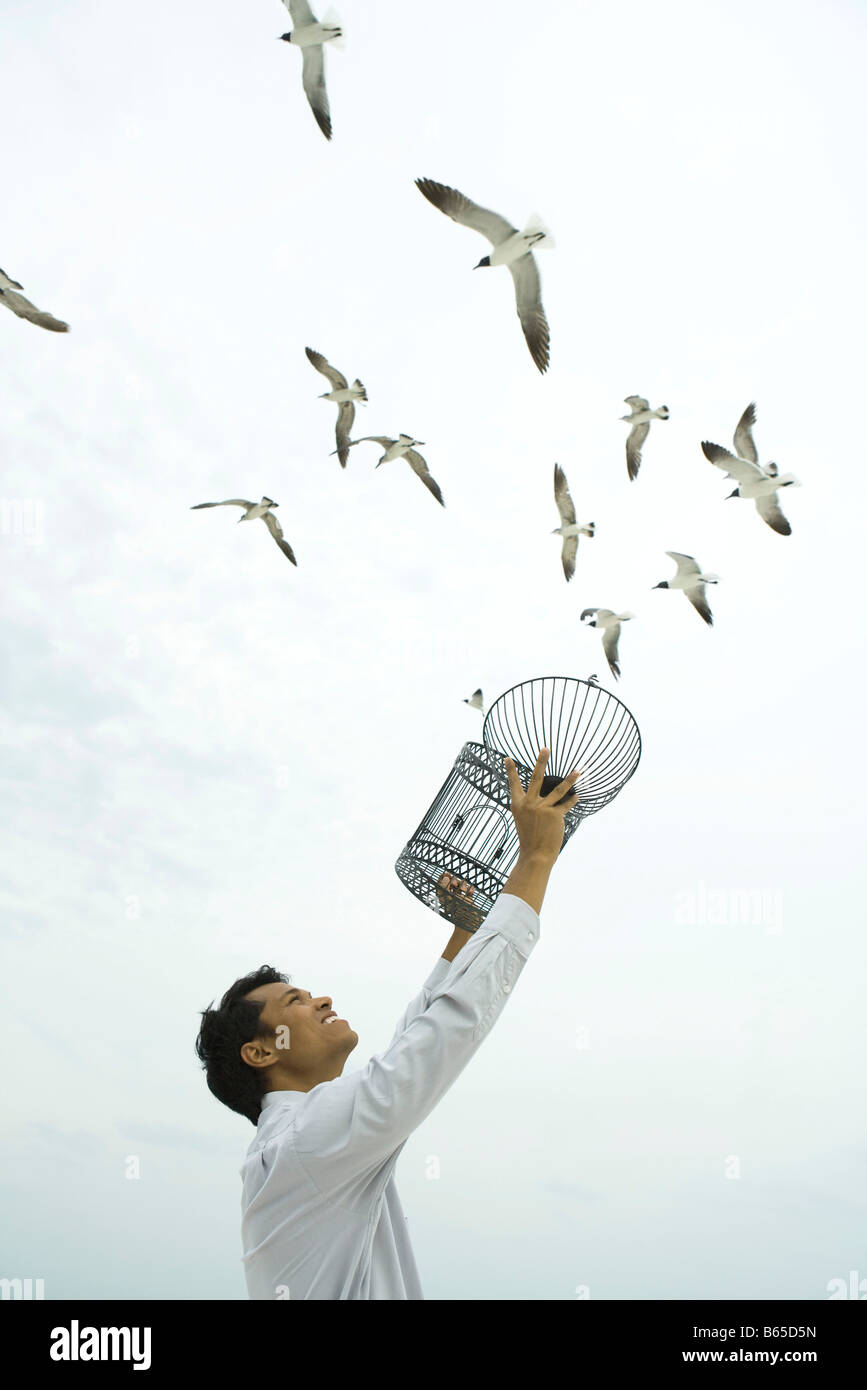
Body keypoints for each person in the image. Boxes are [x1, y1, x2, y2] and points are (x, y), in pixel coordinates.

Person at [195, 748, 580, 1299]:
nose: (321, 999)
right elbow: (440, 1035)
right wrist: (537, 858)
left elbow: (413, 1043)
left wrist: (462, 934)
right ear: (260, 1051)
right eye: (295, 1002)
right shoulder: (305, 1143)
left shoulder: (302, 1144)